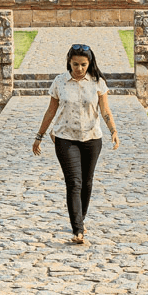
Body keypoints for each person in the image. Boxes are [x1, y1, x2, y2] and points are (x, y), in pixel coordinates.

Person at [32, 43, 120, 245]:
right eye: (75, 64)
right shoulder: (60, 82)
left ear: (89, 64)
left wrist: (113, 131)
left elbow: (105, 110)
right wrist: (39, 135)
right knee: (74, 182)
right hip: (65, 138)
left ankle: (81, 217)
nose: (79, 68)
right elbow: (51, 111)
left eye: (83, 65)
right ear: (69, 63)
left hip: (92, 138)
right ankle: (78, 230)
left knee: (87, 183)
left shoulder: (98, 82)